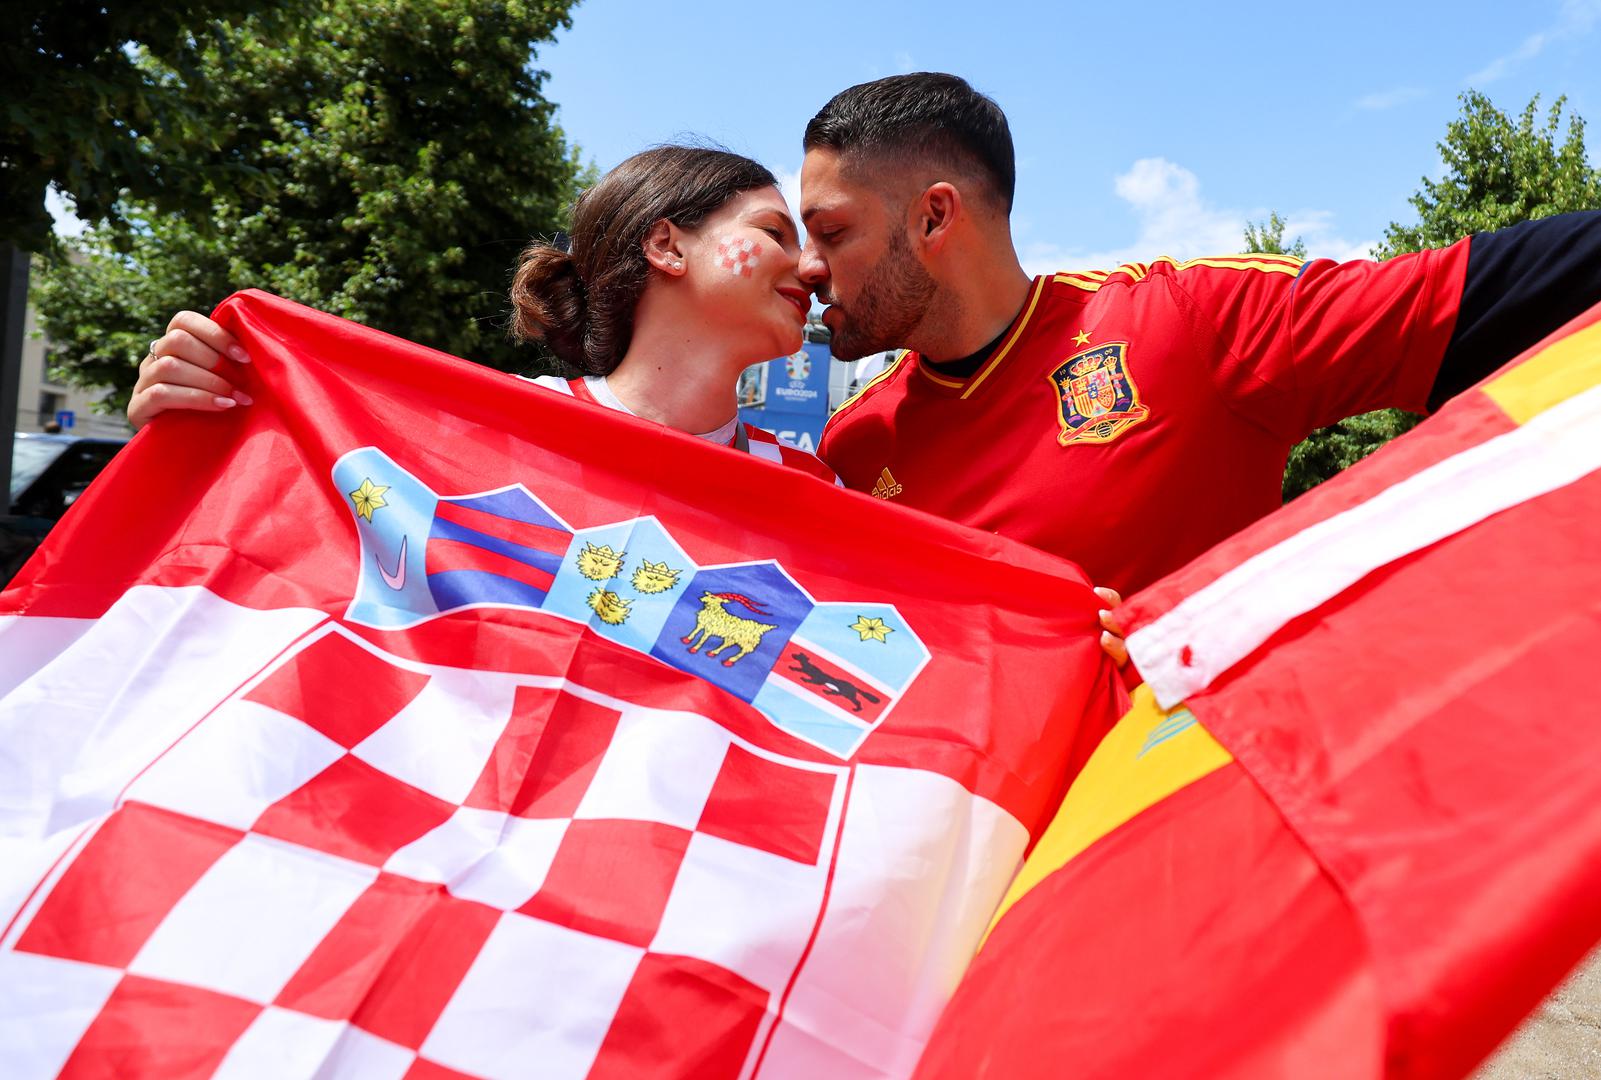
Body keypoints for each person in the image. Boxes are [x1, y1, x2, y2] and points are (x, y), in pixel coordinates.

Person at [798, 72, 1601, 598]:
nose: (806, 267)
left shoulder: (1184, 325)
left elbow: (1491, 293)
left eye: (830, 233)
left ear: (935, 216)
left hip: (1195, 825)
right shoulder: (850, 446)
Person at [127, 145, 837, 484]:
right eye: (774, 233)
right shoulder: (487, 433)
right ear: (665, 245)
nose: (808, 266)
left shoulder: (817, 491)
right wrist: (205, 428)